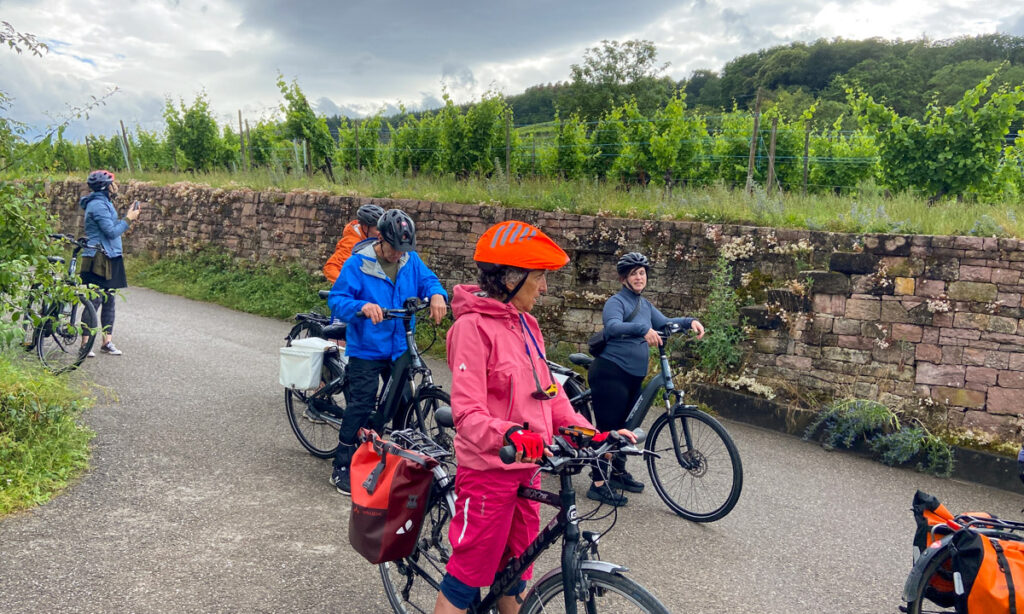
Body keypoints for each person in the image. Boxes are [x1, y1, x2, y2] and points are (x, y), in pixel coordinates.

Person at [433, 221, 636, 614]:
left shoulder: (528, 325)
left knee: (517, 571)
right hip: (489, 473)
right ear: (509, 277)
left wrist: (593, 435)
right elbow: (468, 415)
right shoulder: (471, 329)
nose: (544, 288)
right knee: (466, 580)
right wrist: (509, 433)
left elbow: (551, 396)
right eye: (539, 277)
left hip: (529, 469)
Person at [326, 209, 448, 495]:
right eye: (394, 248)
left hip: (400, 346)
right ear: (380, 238)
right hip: (368, 347)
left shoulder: (410, 259)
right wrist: (362, 307)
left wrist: (437, 294)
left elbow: (428, 281)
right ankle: (341, 465)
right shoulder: (358, 264)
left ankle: (399, 463)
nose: (398, 255)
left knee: (403, 402)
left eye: (404, 249)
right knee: (362, 404)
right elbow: (338, 299)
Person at [586, 251, 705, 507]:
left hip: (633, 375)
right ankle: (597, 483)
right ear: (623, 278)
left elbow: (665, 323)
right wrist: (643, 329)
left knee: (627, 426)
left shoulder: (645, 305)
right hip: (611, 372)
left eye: (642, 273)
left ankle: (617, 473)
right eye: (633, 274)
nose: (639, 278)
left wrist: (689, 322)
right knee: (610, 430)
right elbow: (613, 326)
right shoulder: (616, 302)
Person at [78, 169, 141, 356]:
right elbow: (111, 232)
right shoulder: (98, 205)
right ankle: (85, 344)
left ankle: (107, 342)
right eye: (114, 183)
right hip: (98, 258)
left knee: (109, 300)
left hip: (111, 256)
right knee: (94, 300)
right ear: (106, 186)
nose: (117, 186)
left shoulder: (105, 203)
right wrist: (129, 219)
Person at [322, 204, 385, 283]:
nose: (382, 234)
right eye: (378, 229)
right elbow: (331, 268)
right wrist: (349, 286)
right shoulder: (351, 243)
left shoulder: (372, 239)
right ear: (365, 228)